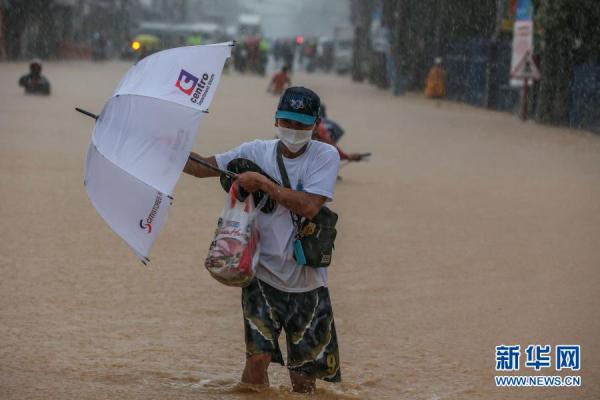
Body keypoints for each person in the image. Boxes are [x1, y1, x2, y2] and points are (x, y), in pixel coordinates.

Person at [183, 87, 342, 393]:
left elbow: (309, 206)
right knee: (257, 361)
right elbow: (201, 167)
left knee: (304, 381)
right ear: (275, 120)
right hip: (262, 277)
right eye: (287, 122)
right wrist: (167, 146)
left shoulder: (326, 156)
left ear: (315, 124)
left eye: (300, 125)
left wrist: (262, 184)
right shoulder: (255, 151)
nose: (292, 131)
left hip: (308, 283)